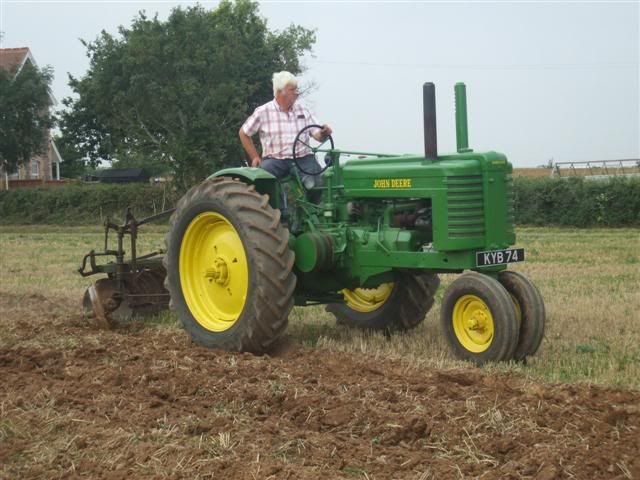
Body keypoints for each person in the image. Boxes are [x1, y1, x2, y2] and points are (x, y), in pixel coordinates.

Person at [239, 71, 332, 190]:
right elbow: (244, 133)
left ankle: (312, 207)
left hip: (303, 158)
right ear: (280, 91)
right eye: (292, 90)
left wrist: (324, 133)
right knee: (263, 183)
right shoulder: (263, 111)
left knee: (317, 184)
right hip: (274, 160)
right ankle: (276, 207)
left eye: (296, 89)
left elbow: (317, 135)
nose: (297, 93)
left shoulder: (303, 110)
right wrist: (255, 157)